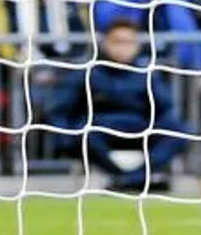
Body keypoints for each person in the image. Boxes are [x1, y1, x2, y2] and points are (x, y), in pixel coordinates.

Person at [43, 20, 187, 193]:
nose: (122, 48)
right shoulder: (87, 72)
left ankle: (129, 180)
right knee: (83, 134)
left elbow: (165, 108)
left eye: (128, 42)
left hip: (139, 129)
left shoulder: (147, 75)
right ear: (105, 43)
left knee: (179, 130)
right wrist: (65, 139)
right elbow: (60, 108)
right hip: (99, 129)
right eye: (117, 42)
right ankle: (131, 179)